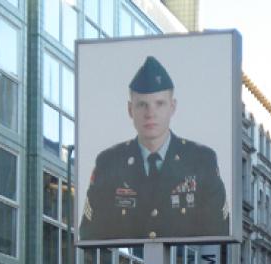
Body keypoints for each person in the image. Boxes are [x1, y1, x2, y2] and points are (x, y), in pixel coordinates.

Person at [79, 55, 229, 242]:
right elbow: (90, 236)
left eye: (159, 104)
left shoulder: (201, 161)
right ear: (130, 110)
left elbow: (219, 234)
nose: (150, 113)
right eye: (142, 105)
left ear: (172, 107)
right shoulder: (109, 163)